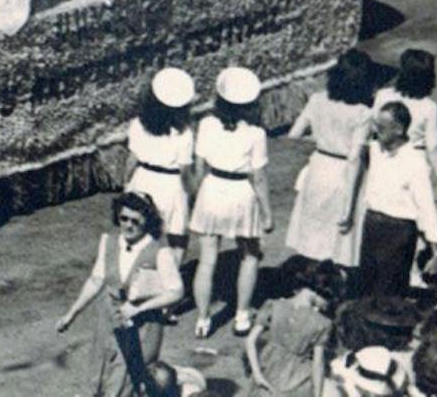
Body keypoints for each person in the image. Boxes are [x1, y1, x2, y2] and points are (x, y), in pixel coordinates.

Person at [55, 192, 185, 397]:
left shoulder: (159, 251)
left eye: (135, 220)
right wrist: (72, 313)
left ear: (147, 221)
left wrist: (139, 308)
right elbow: (96, 280)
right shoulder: (108, 242)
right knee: (98, 373)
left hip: (142, 326)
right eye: (124, 218)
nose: (128, 225)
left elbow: (176, 292)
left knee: (123, 382)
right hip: (108, 319)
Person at [189, 66, 272, 338]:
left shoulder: (206, 124)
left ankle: (202, 319)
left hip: (212, 190)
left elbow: (199, 166)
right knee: (250, 255)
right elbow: (258, 178)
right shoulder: (256, 133)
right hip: (241, 194)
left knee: (207, 259)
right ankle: (241, 316)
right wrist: (267, 214)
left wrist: (198, 196)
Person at [284, 50, 374, 269]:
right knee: (339, 236)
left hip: (318, 166)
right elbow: (354, 159)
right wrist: (348, 208)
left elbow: (294, 134)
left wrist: (323, 140)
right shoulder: (363, 113)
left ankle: (311, 277)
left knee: (314, 228)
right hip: (343, 173)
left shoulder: (317, 100)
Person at [343, 101, 437, 299]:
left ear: (398, 129)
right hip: (372, 225)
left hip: (399, 233)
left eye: (380, 127)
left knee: (390, 292)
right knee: (366, 288)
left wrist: (436, 251)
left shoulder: (415, 161)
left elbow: (426, 207)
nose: (375, 130)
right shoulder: (374, 150)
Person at [242, 261, 343, 397]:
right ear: (322, 291)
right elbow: (318, 364)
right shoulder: (322, 323)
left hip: (267, 369)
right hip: (297, 378)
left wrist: (257, 373)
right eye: (329, 298)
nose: (328, 304)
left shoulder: (274, 305)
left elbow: (250, 341)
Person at [124, 67, 196, 248]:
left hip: (142, 181)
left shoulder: (138, 124)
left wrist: (127, 185)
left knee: (141, 238)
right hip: (170, 187)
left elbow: (131, 160)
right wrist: (192, 197)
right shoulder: (184, 132)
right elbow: (185, 172)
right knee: (176, 241)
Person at [373, 48, 437, 195]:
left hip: (384, 157)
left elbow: (375, 128)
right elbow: (433, 147)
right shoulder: (429, 107)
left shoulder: (382, 96)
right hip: (415, 161)